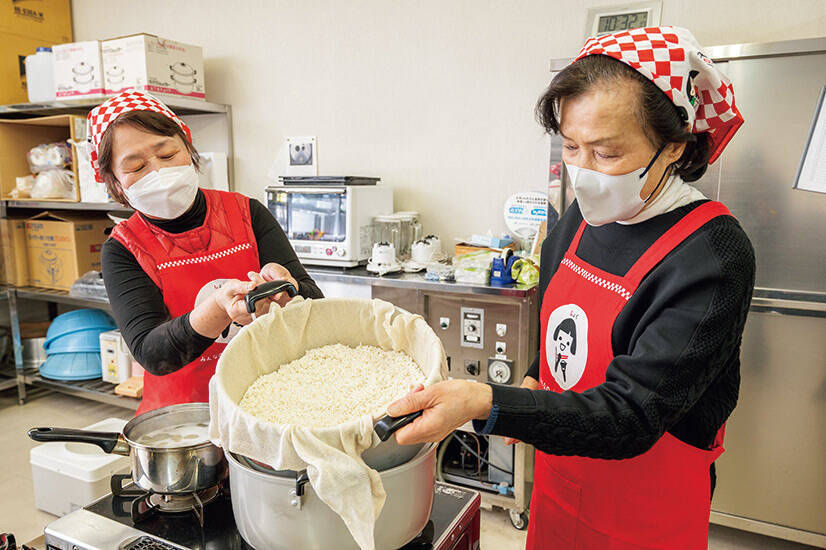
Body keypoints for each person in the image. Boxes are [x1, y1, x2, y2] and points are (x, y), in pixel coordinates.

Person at [388, 27, 755, 549]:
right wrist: (533, 376)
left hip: (646, 513)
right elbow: (560, 324)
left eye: (606, 153)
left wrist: (486, 402)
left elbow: (633, 414)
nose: (582, 173)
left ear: (674, 145)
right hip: (559, 486)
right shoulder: (578, 221)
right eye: (571, 146)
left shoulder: (711, 254)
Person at [90, 90, 323, 415]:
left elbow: (316, 304)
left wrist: (289, 290)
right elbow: (152, 352)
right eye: (137, 166)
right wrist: (218, 308)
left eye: (168, 154)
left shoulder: (247, 213)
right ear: (115, 183)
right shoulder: (124, 249)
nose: (158, 172)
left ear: (189, 148)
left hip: (268, 401)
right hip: (186, 419)